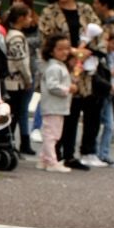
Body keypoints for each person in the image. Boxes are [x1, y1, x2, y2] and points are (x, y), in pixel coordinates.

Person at [38, 0, 104, 170]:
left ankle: (70, 154)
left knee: (76, 111)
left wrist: (88, 52)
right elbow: (45, 40)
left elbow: (100, 35)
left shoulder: (85, 10)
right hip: (59, 70)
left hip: (82, 71)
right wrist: (72, 52)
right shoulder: (49, 12)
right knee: (59, 113)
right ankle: (53, 155)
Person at [37, 34, 75, 173]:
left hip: (57, 106)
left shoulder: (58, 66)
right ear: (52, 50)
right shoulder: (54, 67)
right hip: (53, 106)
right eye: (60, 49)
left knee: (53, 134)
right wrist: (68, 89)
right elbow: (53, 86)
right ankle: (51, 161)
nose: (65, 52)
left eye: (67, 48)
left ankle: (44, 159)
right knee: (51, 135)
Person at [3, 3, 34, 155]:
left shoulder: (11, 34)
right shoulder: (16, 37)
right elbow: (21, 61)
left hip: (11, 80)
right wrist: (28, 79)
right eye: (28, 16)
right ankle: (8, 143)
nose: (30, 20)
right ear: (21, 18)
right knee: (13, 114)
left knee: (13, 113)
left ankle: (9, 142)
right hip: (15, 82)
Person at [95, 25, 114, 168]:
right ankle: (93, 152)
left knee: (110, 126)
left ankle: (103, 154)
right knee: (95, 125)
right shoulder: (102, 56)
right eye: (113, 43)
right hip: (101, 94)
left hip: (109, 95)